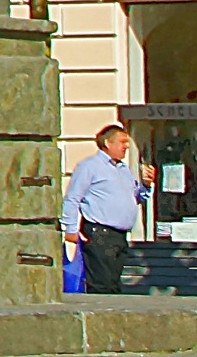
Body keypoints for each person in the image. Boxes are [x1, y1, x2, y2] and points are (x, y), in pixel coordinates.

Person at [61, 123, 152, 293]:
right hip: (99, 233)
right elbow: (72, 198)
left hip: (119, 236)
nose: (126, 146)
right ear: (108, 144)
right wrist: (70, 229)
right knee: (101, 284)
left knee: (114, 283)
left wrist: (145, 186)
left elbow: (135, 197)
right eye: (122, 142)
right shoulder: (90, 166)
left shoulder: (123, 169)